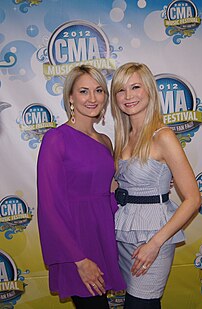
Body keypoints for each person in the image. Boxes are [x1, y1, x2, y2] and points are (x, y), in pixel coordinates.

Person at [110, 62, 201, 309]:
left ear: (149, 90)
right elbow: (118, 185)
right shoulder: (123, 137)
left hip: (154, 237)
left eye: (135, 87)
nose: (128, 96)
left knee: (140, 305)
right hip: (125, 233)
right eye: (121, 90)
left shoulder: (163, 136)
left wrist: (155, 244)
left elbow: (193, 199)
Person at [37, 65, 126, 309]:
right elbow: (49, 206)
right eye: (84, 91)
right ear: (71, 98)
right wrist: (79, 259)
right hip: (76, 243)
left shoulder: (105, 141)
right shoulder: (56, 139)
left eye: (99, 90)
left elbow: (112, 188)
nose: (93, 98)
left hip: (104, 236)